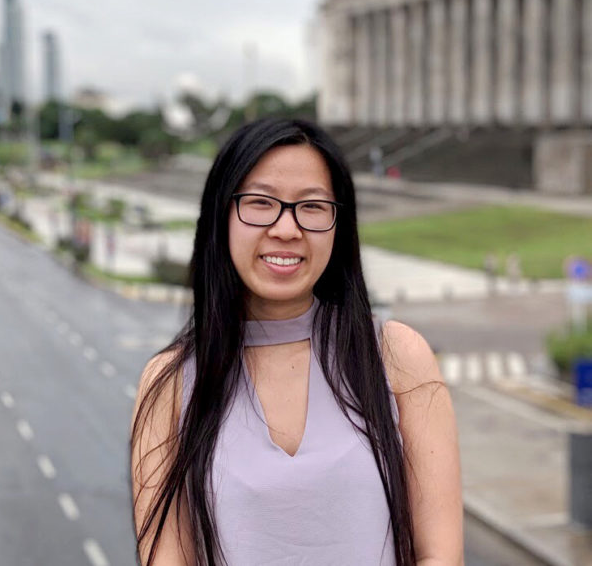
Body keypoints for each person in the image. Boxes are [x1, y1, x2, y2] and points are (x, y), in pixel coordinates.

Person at [130, 118, 462, 565]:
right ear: (221, 216)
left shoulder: (398, 356)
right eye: (261, 203)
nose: (287, 229)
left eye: (312, 207)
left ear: (338, 224)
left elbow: (441, 556)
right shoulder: (169, 383)